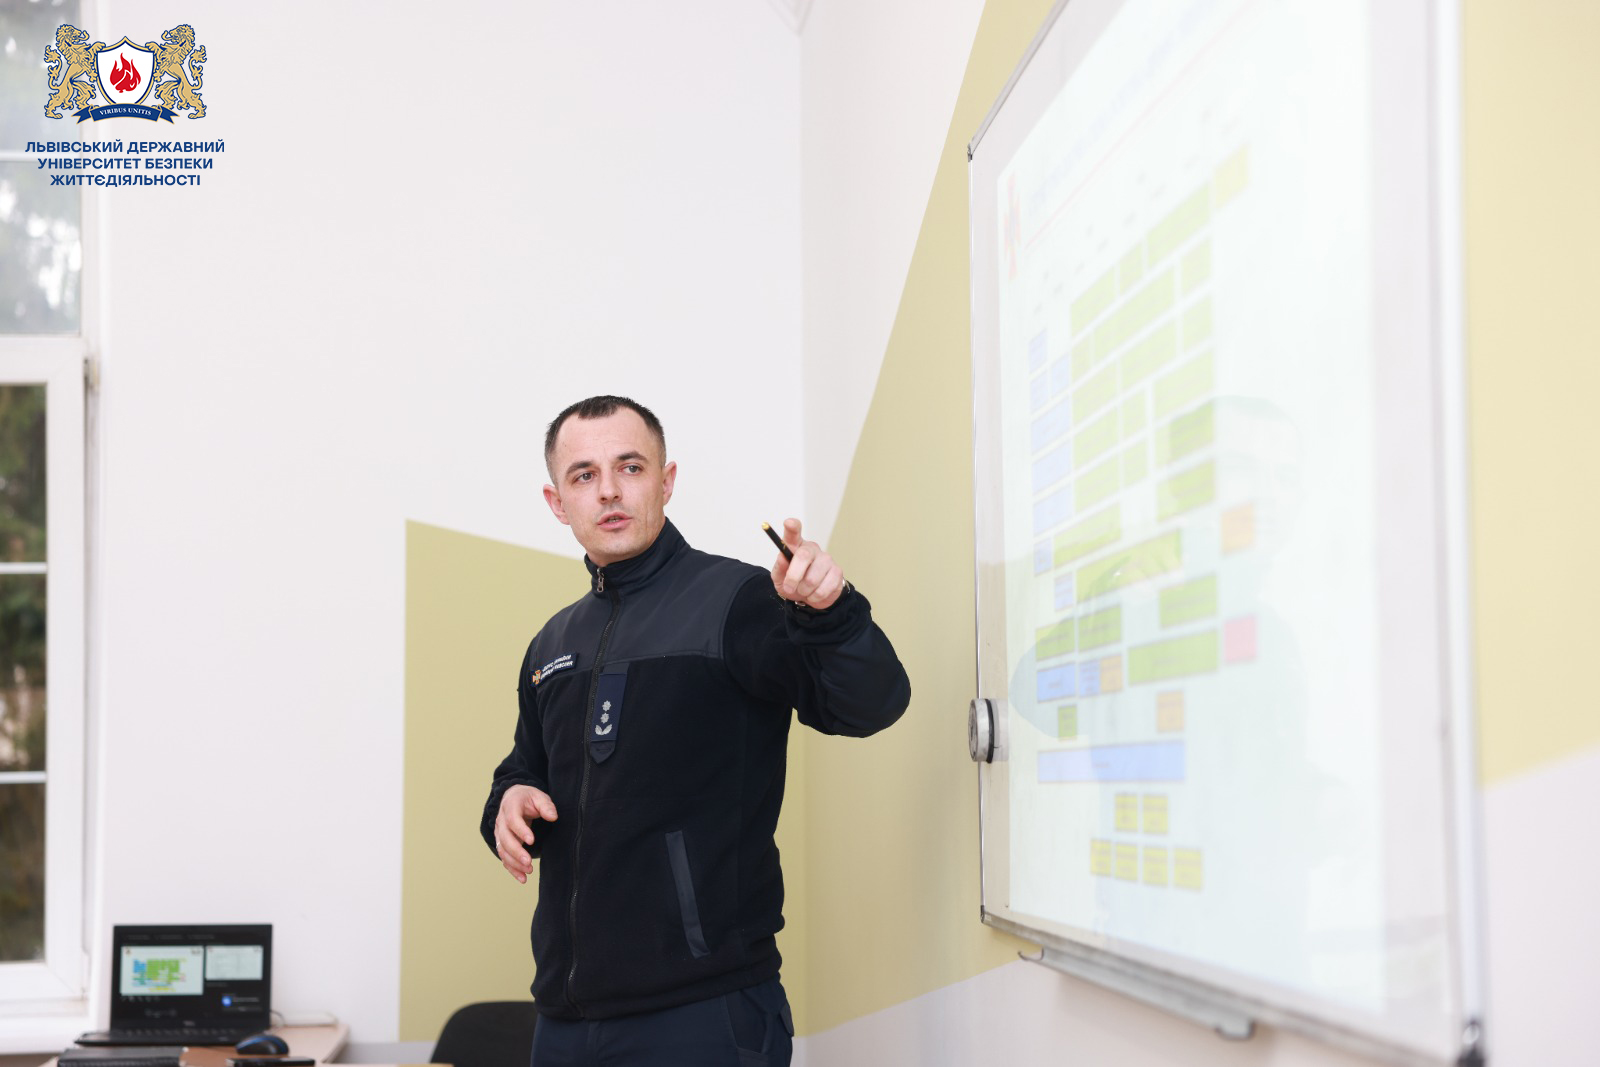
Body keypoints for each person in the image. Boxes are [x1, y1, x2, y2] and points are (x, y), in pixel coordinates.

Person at [481, 395, 911, 1067]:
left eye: (630, 467)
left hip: (704, 1015)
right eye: (584, 475)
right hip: (564, 1022)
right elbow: (524, 769)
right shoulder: (552, 644)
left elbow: (869, 705)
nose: (609, 490)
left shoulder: (738, 601)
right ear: (557, 501)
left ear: (667, 481)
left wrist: (832, 613)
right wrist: (508, 801)